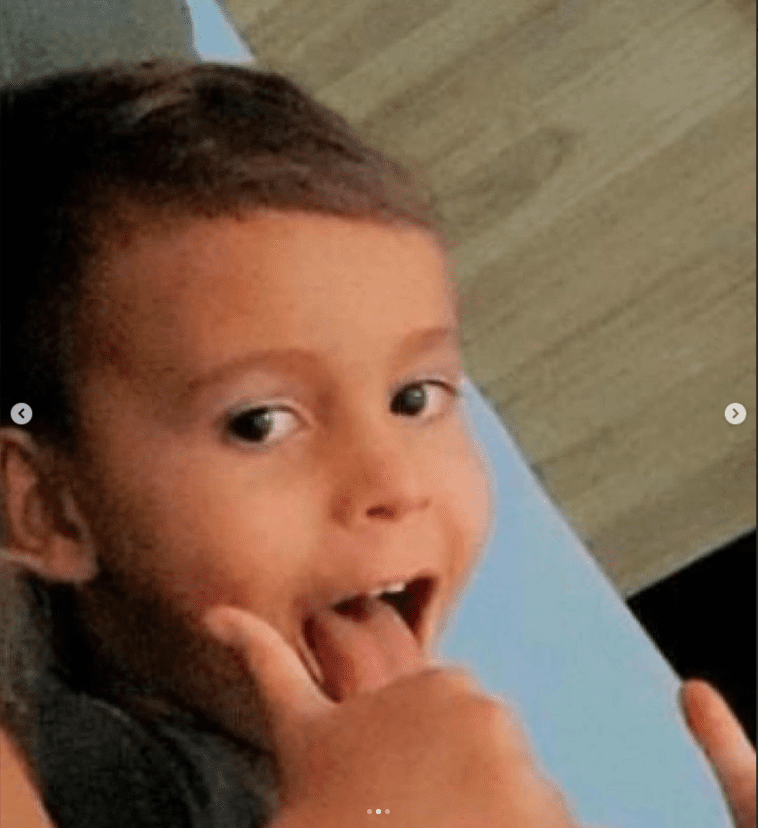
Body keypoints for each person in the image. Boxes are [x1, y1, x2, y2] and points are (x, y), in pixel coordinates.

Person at [0, 58, 753, 828]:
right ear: (45, 509)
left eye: (414, 398)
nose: (393, 483)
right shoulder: (82, 766)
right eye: (260, 423)